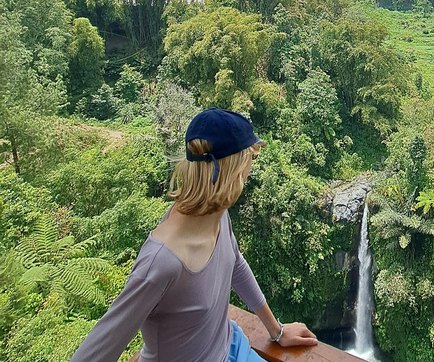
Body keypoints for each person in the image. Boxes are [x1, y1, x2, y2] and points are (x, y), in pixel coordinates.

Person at [70, 108, 318, 362]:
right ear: (233, 170)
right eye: (250, 160)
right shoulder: (162, 262)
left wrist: (276, 331)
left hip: (231, 346)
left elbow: (235, 264)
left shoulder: (218, 213)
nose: (251, 169)